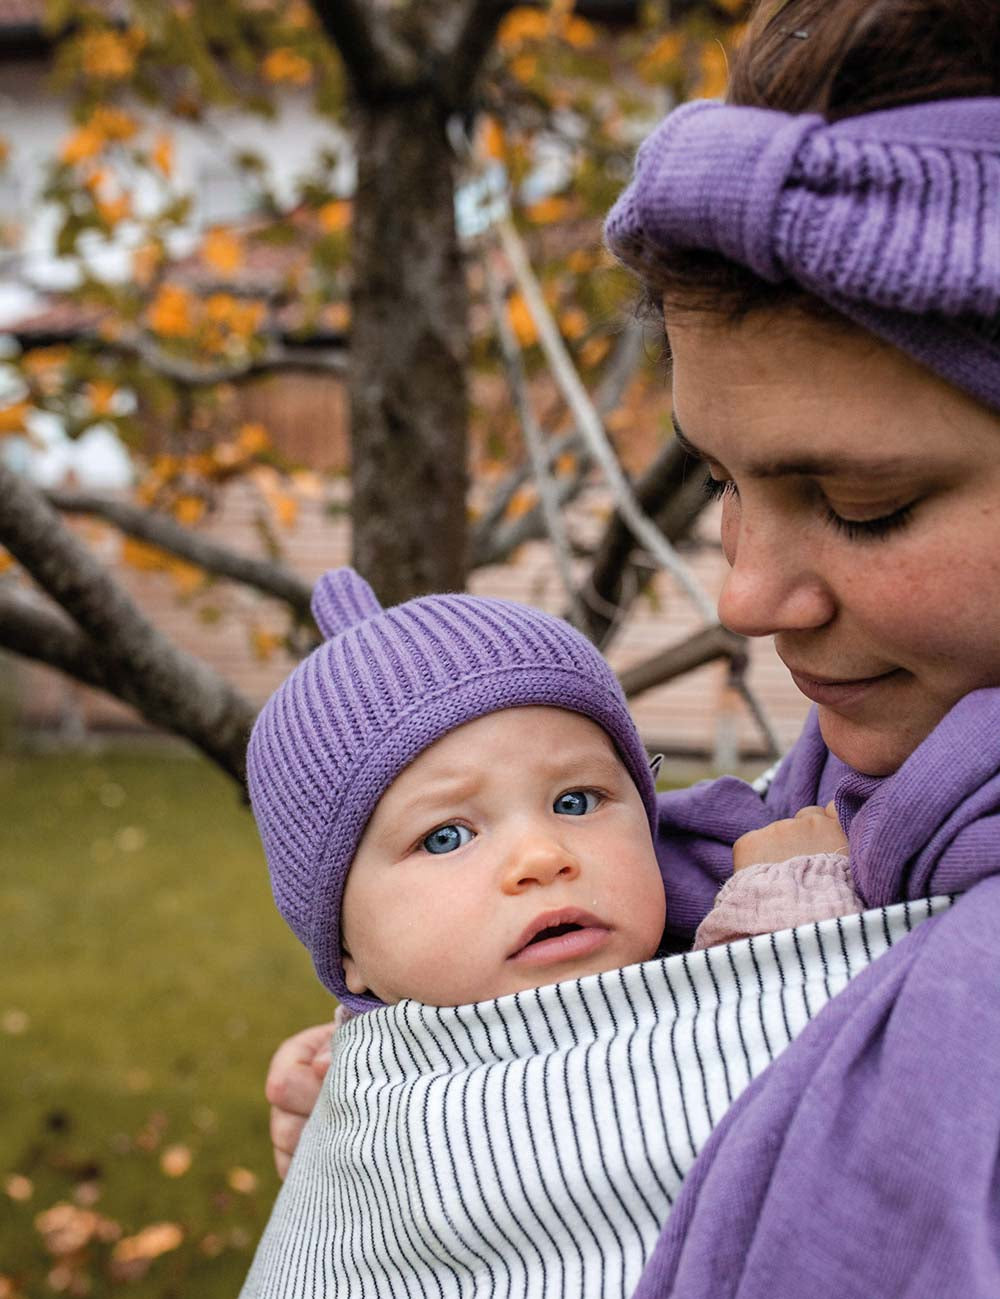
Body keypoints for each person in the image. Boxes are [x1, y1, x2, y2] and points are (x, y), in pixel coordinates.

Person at [264, 0, 1000, 1293]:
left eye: (862, 505)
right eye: (719, 479)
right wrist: (425, 1102)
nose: (745, 596)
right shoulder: (858, 791)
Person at [242, 567, 863, 1295]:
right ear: (346, 951)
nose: (542, 857)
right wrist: (798, 933)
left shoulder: (733, 921)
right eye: (445, 837)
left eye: (576, 799)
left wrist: (777, 922)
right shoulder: (388, 1103)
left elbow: (771, 1108)